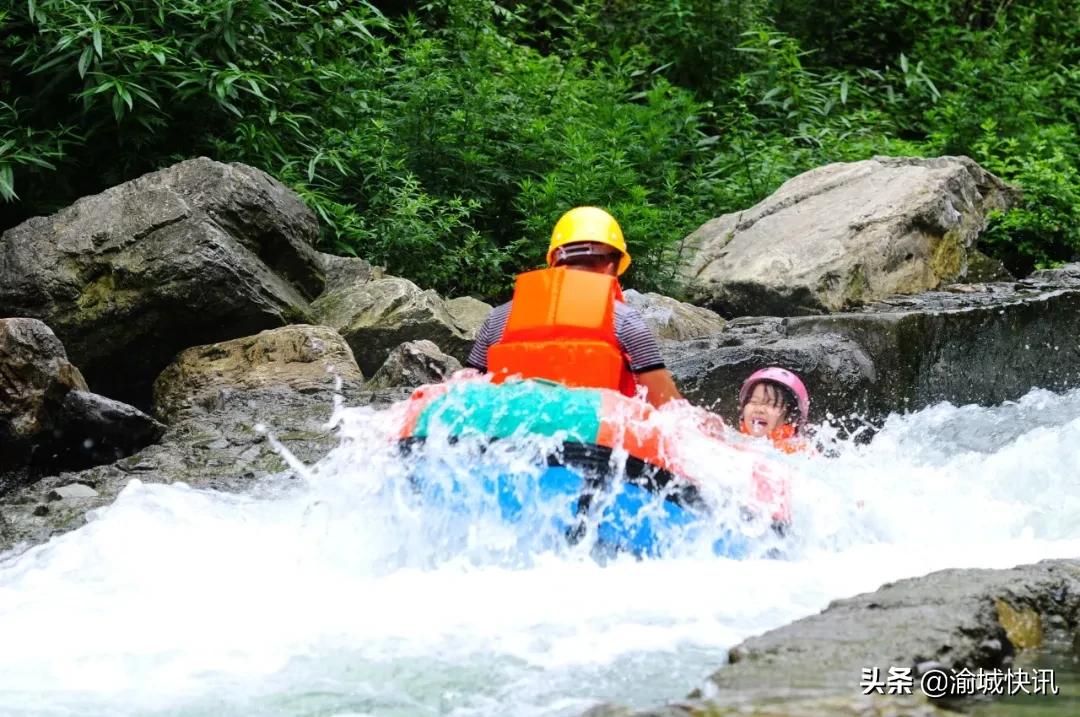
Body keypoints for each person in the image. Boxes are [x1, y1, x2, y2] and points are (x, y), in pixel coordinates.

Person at [466, 206, 685, 409]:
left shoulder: (498, 318)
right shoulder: (624, 320)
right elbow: (670, 409)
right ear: (611, 267)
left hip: (511, 433)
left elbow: (464, 391)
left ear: (554, 262)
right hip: (594, 435)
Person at [737, 367, 811, 454]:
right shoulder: (734, 438)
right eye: (754, 402)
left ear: (790, 417)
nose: (759, 410)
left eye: (771, 405)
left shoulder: (797, 450)